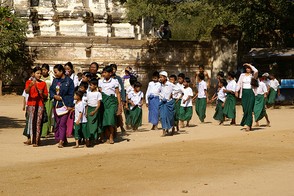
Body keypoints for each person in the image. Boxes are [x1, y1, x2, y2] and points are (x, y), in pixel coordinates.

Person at [50, 64, 75, 148]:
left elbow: (71, 94)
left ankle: (61, 141)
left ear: (61, 71)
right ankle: (63, 139)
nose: (55, 74)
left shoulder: (69, 81)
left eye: (56, 72)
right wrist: (54, 96)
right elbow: (51, 90)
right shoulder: (55, 81)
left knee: (62, 123)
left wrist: (70, 105)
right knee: (58, 123)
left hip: (65, 105)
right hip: (56, 105)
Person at [24, 66, 48, 147]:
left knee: (38, 122)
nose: (39, 75)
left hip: (40, 104)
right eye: (37, 73)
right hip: (31, 104)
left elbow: (46, 95)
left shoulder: (43, 83)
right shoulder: (28, 82)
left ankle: (37, 140)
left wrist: (41, 94)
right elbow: (26, 92)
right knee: (31, 121)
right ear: (33, 74)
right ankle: (30, 138)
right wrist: (30, 85)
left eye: (40, 73)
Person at [98, 66, 121, 144]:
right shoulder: (100, 82)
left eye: (105, 72)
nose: (103, 74)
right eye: (103, 72)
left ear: (110, 73)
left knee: (110, 120)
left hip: (112, 102)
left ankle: (111, 137)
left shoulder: (115, 81)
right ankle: (105, 135)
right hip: (103, 102)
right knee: (104, 119)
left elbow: (117, 93)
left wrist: (119, 105)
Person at [235, 63, 258, 131]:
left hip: (251, 93)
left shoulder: (253, 75)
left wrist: (250, 65)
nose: (247, 69)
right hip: (244, 93)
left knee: (249, 109)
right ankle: (247, 123)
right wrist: (236, 91)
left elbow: (256, 71)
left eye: (249, 68)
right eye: (246, 68)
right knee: (245, 109)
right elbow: (239, 83)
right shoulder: (242, 75)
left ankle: (248, 125)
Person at [110, 63, 126, 134]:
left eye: (114, 69)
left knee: (118, 114)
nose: (113, 70)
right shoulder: (107, 78)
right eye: (112, 69)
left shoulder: (118, 78)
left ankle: (122, 127)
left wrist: (123, 99)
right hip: (110, 98)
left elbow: (121, 88)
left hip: (117, 98)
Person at [158, 71, 175, 136]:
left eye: (161, 77)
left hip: (169, 103)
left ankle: (172, 127)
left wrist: (173, 94)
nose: (160, 78)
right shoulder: (160, 85)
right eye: (160, 77)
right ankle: (164, 130)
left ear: (165, 77)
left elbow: (179, 89)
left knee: (169, 117)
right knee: (162, 117)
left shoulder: (170, 84)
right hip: (162, 103)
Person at [87, 78, 102, 144]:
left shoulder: (98, 93)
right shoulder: (88, 93)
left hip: (95, 109)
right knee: (89, 124)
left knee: (94, 123)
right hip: (89, 108)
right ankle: (90, 137)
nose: (90, 86)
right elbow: (87, 103)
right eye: (89, 85)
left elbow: (98, 104)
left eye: (91, 85)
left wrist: (95, 111)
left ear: (95, 86)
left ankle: (95, 138)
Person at [40, 64, 54, 137]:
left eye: (45, 70)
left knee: (48, 114)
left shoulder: (51, 78)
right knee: (41, 114)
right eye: (42, 70)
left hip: (48, 98)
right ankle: (41, 131)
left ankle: (46, 131)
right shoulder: (39, 77)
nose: (43, 71)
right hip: (40, 98)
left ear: (48, 70)